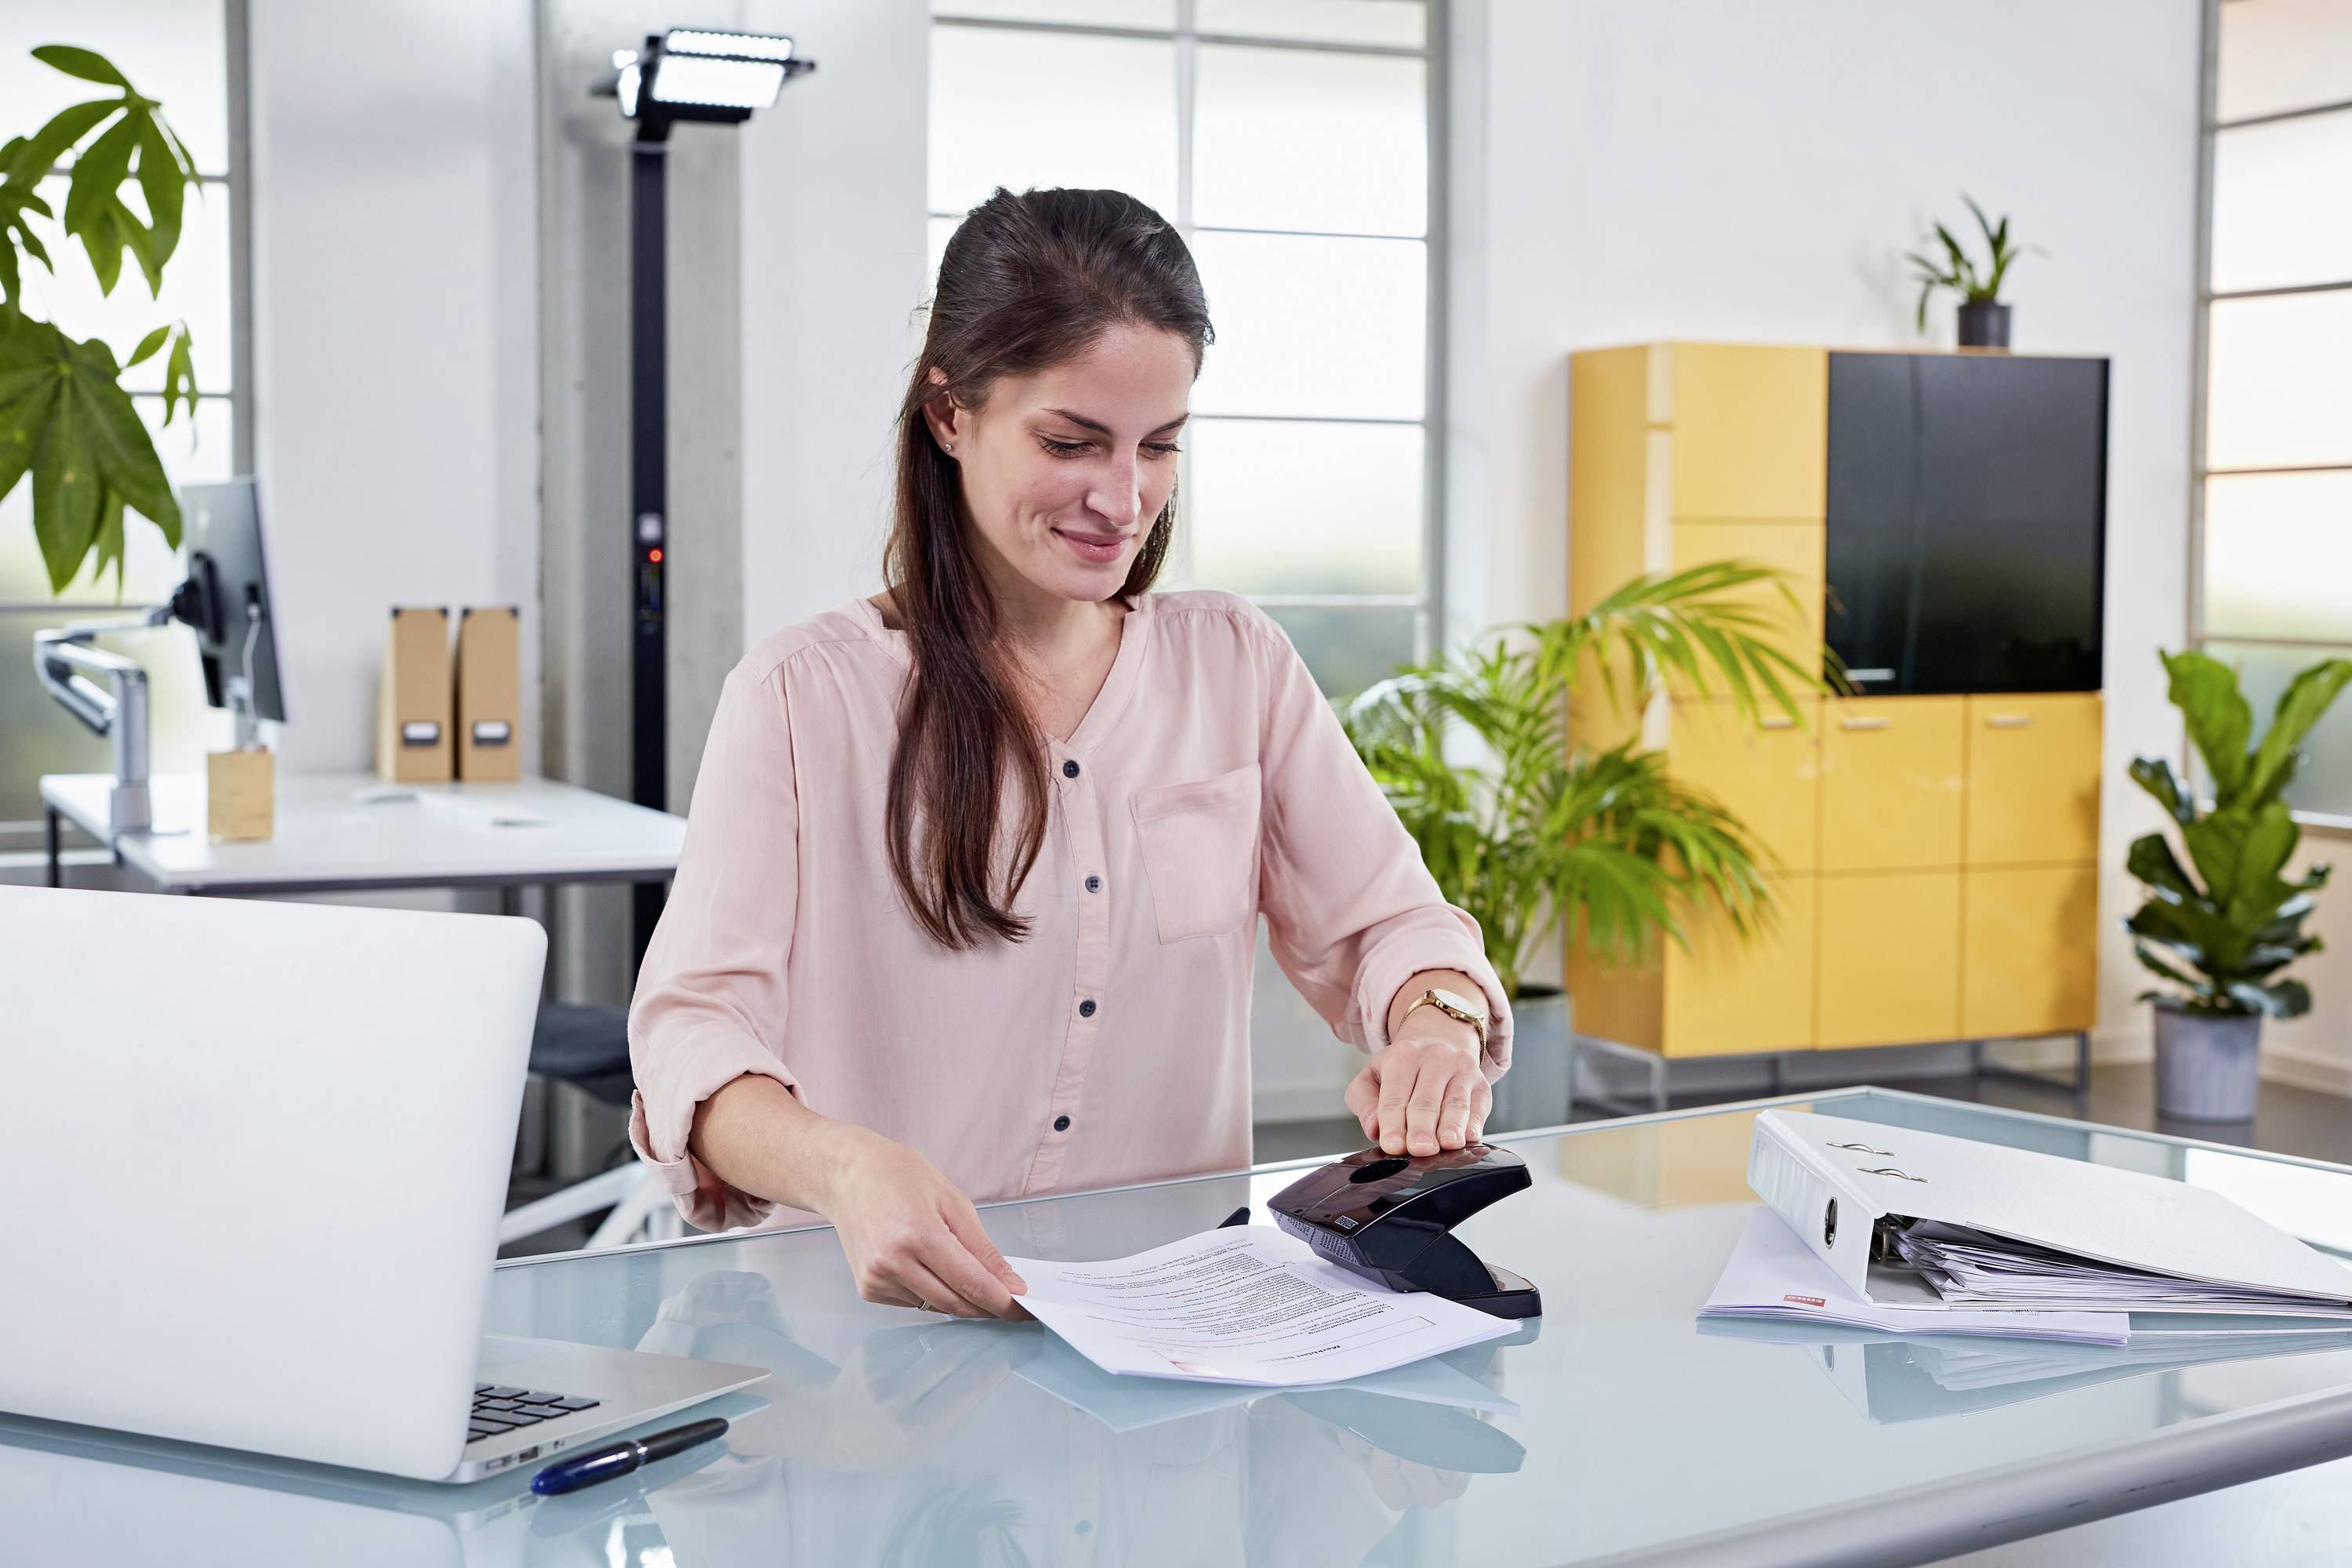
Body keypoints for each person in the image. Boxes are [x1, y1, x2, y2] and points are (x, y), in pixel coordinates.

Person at [627, 186, 1513, 1323]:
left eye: (1161, 447)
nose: (1123, 497)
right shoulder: (805, 698)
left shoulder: (1233, 665)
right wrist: (843, 1168)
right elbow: (691, 1039)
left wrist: (1436, 1020)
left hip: (1175, 1340)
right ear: (949, 415)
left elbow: (1394, 925)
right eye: (1070, 442)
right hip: (881, 1352)